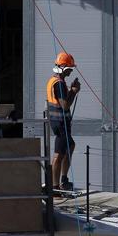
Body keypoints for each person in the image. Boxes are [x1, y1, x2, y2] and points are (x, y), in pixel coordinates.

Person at [45, 51, 80, 191]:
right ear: (64, 68)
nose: (71, 71)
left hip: (59, 122)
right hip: (60, 123)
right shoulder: (58, 84)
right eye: (70, 68)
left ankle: (63, 180)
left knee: (70, 146)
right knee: (59, 153)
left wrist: (71, 90)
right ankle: (54, 187)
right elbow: (65, 105)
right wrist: (73, 91)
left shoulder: (55, 81)